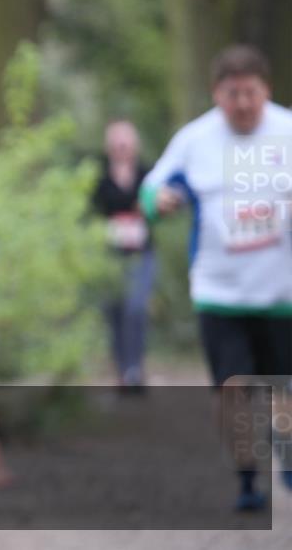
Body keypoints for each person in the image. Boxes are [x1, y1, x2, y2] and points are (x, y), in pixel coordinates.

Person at [140, 44, 291, 511]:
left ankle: (286, 458)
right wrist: (158, 202)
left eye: (251, 93)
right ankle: (248, 480)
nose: (243, 104)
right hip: (219, 292)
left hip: (282, 292)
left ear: (266, 89)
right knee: (231, 391)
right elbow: (151, 187)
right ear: (216, 94)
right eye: (232, 94)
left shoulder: (287, 130)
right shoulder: (195, 139)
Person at [92, 120, 156, 391]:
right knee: (114, 312)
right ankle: (122, 371)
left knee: (136, 308)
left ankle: (135, 368)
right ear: (108, 147)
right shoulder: (98, 177)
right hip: (109, 256)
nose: (121, 146)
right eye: (117, 141)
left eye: (126, 141)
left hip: (142, 253)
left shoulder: (148, 175)